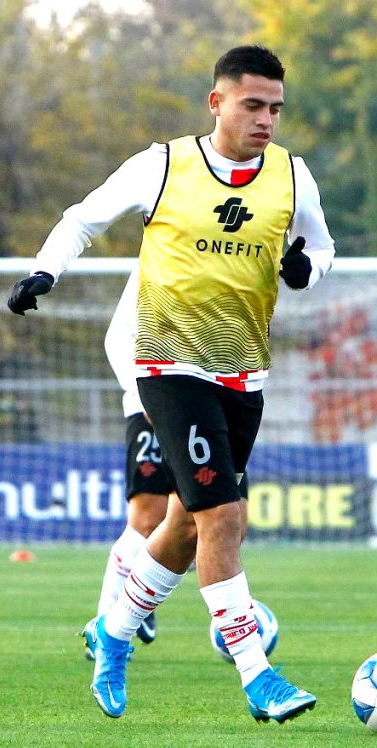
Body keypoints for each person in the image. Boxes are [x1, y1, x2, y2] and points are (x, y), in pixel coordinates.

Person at [8, 45, 335, 721]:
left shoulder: (292, 176)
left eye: (275, 108)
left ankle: (113, 632)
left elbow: (322, 246)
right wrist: (45, 271)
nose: (265, 119)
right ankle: (258, 677)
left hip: (242, 371)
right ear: (217, 102)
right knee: (223, 517)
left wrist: (308, 269)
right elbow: (83, 218)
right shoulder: (163, 165)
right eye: (252, 105)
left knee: (188, 526)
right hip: (166, 362)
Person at [91, 262, 251, 659]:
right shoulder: (163, 253)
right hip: (154, 399)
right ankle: (107, 622)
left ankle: (135, 603)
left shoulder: (241, 257)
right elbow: (117, 338)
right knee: (148, 516)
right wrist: (141, 394)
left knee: (229, 523)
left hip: (216, 405)